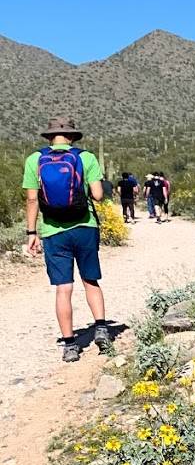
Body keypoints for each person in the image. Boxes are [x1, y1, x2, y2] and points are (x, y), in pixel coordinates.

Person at [22, 116, 113, 363]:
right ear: (72, 136)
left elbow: (32, 200)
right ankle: (102, 329)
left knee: (63, 288)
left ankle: (70, 345)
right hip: (85, 226)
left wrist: (32, 233)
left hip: (53, 231)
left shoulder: (34, 160)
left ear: (49, 137)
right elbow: (97, 196)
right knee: (90, 280)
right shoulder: (86, 158)